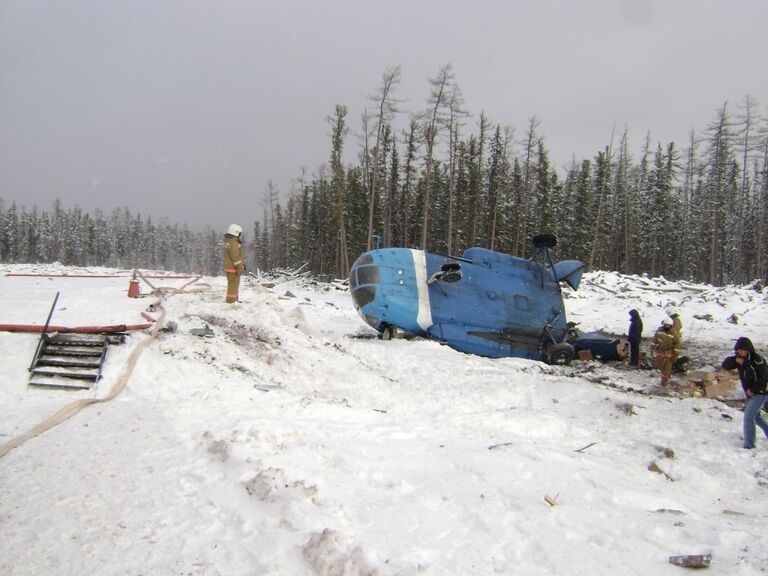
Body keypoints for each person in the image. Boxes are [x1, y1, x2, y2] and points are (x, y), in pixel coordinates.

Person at [721, 337, 768, 450]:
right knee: (755, 417)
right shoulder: (739, 359)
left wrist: (753, 390)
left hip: (760, 392)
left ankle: (749, 444)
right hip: (749, 393)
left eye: (742, 350)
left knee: (748, 417)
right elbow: (726, 365)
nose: (740, 352)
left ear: (748, 349)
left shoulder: (758, 360)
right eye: (738, 350)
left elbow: (764, 378)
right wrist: (735, 361)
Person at [222, 223, 245, 303]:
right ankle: (231, 301)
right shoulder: (234, 242)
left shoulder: (228, 241)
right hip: (233, 267)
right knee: (233, 284)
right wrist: (240, 266)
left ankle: (234, 299)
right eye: (239, 233)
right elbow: (235, 256)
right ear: (236, 232)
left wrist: (241, 264)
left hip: (229, 266)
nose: (239, 235)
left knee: (234, 284)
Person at [650, 318, 675, 385]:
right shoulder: (659, 331)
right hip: (660, 352)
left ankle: (665, 381)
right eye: (666, 325)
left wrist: (675, 355)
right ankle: (663, 379)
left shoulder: (674, 333)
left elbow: (677, 344)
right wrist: (652, 349)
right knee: (660, 367)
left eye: (668, 325)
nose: (667, 326)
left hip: (668, 354)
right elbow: (654, 341)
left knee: (667, 369)